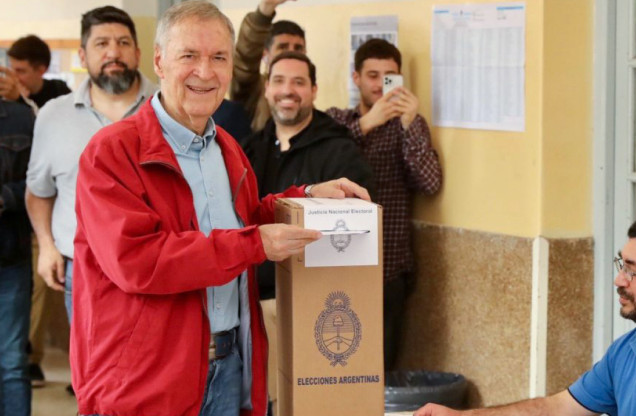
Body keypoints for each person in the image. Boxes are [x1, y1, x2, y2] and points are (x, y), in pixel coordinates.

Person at [70, 3, 369, 416]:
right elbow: (138, 261)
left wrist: (308, 197)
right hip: (146, 379)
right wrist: (254, 244)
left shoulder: (226, 146)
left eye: (218, 58)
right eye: (189, 55)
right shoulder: (112, 153)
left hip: (230, 366)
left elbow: (242, 222)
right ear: (159, 60)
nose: (205, 72)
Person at [415, 208, 636, 416]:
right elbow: (558, 409)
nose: (619, 279)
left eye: (634, 271)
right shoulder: (632, 347)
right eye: (622, 264)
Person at [24, 5, 156, 395]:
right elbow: (39, 192)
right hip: (82, 273)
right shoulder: (53, 115)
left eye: (122, 43)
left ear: (137, 53)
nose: (113, 52)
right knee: (96, 381)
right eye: (101, 44)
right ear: (83, 56)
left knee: (155, 383)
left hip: (160, 271)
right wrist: (47, 246)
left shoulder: (169, 108)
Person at [243, 50, 374, 412]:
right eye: (280, 81)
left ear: (314, 90)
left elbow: (357, 231)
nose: (289, 90)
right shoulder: (249, 150)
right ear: (267, 89)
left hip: (313, 305)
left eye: (299, 82)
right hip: (255, 303)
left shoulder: (340, 152)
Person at [327, 38, 442, 370]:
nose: (380, 85)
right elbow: (324, 163)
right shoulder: (336, 121)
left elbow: (431, 184)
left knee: (382, 367)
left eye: (389, 76)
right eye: (372, 75)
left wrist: (409, 125)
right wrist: (367, 124)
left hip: (388, 269)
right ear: (356, 78)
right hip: (336, 264)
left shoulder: (409, 126)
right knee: (336, 363)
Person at [2, 34, 72, 389]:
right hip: (26, 219)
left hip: (52, 217)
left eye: (22, 71)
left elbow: (52, 135)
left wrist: (21, 102)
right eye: (11, 70)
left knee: (44, 288)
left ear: (41, 70)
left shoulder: (59, 95)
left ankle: (32, 358)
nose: (16, 77)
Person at [0, 98, 35, 416]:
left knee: (11, 361)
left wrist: (5, 196)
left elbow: (39, 183)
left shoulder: (23, 119)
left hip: (10, 257)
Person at [231, 0, 306, 133]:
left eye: (298, 48)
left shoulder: (308, 89)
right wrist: (265, 9)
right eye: (282, 47)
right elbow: (245, 61)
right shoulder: (255, 89)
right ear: (266, 54)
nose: (291, 53)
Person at [0, 35, 71, 111]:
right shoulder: (5, 94)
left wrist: (21, 100)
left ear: (41, 70)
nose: (13, 76)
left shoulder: (59, 92)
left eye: (20, 71)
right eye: (11, 68)